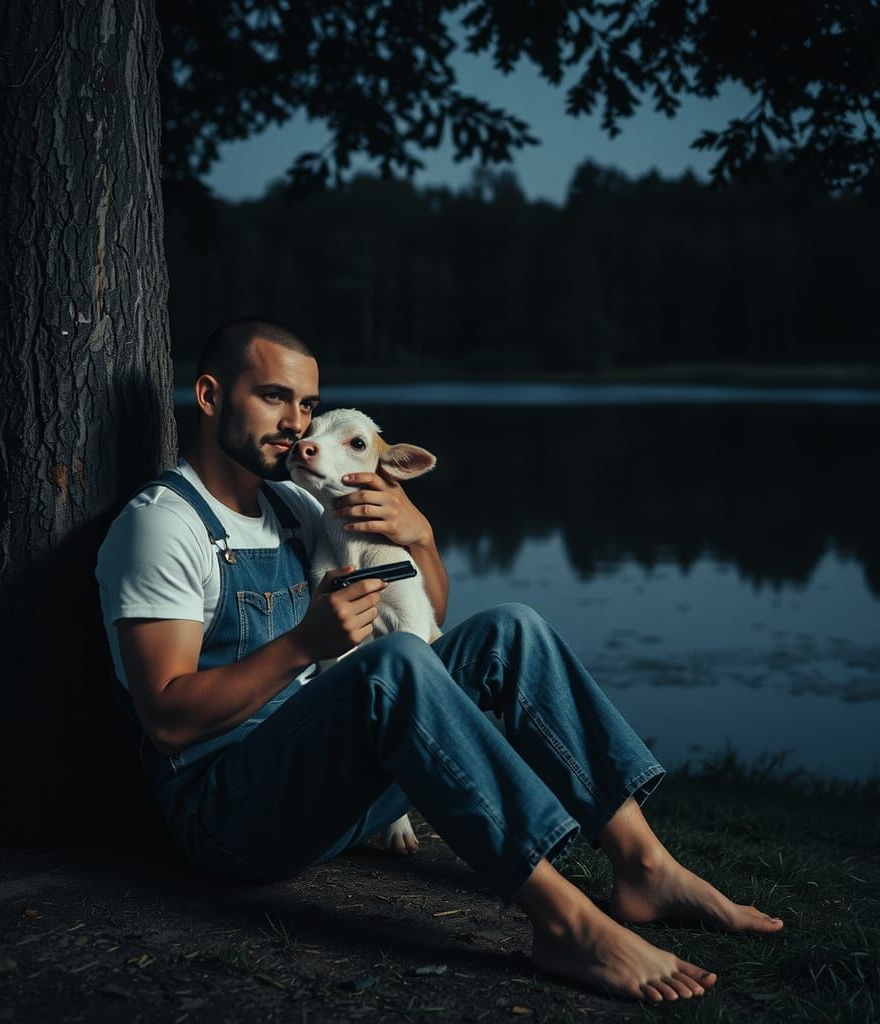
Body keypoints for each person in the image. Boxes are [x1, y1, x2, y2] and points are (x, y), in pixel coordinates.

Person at [96, 318, 783, 1003]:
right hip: (230, 814)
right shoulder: (165, 523)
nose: (297, 423)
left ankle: (643, 865)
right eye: (274, 397)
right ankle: (565, 923)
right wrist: (305, 644)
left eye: (306, 404)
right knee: (392, 666)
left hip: (325, 787)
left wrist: (420, 538)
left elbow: (430, 618)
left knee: (511, 630)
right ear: (211, 396)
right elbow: (167, 720)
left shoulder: (295, 504)